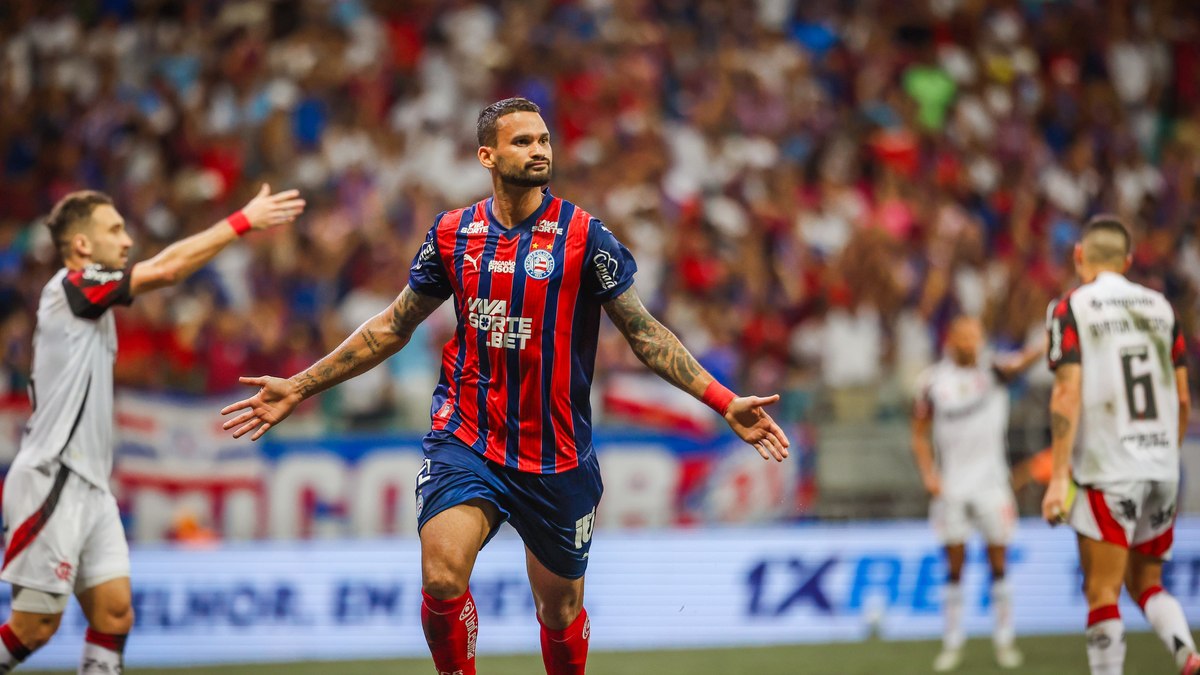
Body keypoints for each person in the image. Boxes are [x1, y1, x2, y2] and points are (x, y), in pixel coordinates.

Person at [219, 97, 791, 675]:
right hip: (467, 438)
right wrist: (300, 385)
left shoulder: (584, 237)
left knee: (559, 609)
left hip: (556, 455)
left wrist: (723, 400)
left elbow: (644, 332)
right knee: (442, 577)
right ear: (486, 155)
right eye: (523, 142)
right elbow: (394, 326)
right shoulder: (452, 233)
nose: (539, 150)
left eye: (543, 140)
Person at [0, 185, 305, 674]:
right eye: (114, 230)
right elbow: (166, 271)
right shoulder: (71, 286)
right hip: (52, 479)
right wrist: (243, 220)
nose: (126, 240)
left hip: (90, 486)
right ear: (81, 245)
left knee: (115, 614)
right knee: (34, 627)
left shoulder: (88, 303)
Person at [1042, 216, 1199, 675]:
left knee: (1102, 590)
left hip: (1109, 468)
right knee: (1148, 582)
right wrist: (1166, 455)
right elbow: (1184, 398)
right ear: (1128, 262)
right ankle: (1185, 651)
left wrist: (1056, 478)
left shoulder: (1071, 306)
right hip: (1161, 465)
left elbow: (1066, 392)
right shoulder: (1161, 307)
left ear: (1078, 258)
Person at [911, 315, 1042, 672]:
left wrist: (1051, 337)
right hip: (951, 486)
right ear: (951, 339)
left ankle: (1004, 641)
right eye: (964, 336)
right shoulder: (933, 381)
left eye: (976, 336)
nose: (971, 342)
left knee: (998, 564)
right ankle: (952, 642)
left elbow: (1025, 360)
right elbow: (918, 432)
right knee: (954, 567)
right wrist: (929, 473)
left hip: (992, 484)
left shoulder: (995, 371)